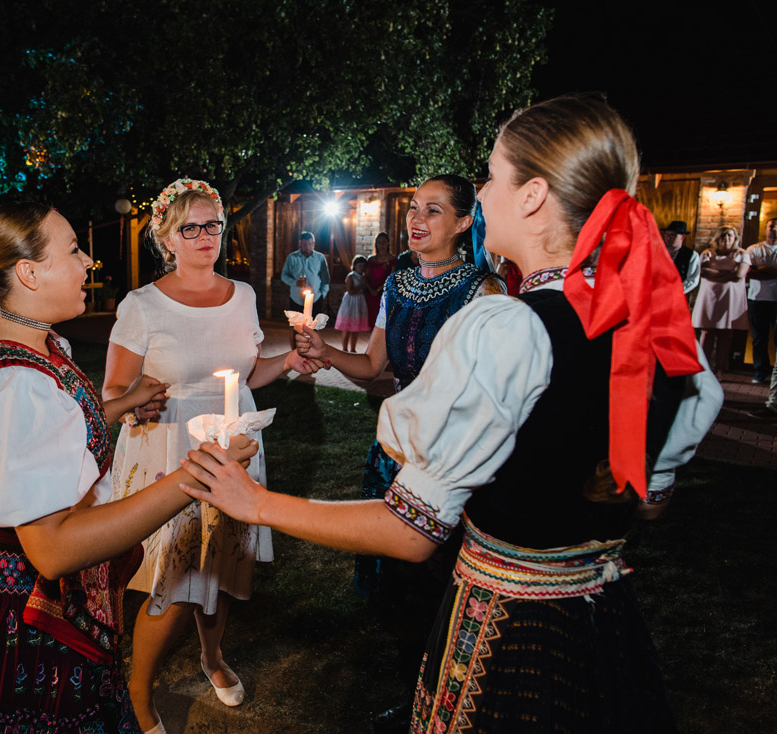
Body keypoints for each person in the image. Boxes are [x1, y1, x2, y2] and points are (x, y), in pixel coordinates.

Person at [180, 94, 723, 733]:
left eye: (492, 176)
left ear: (532, 196)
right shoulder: (653, 328)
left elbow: (411, 532)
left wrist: (255, 503)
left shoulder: (506, 328)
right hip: (601, 617)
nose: (486, 192)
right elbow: (648, 501)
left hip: (510, 630)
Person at [0, 201, 258, 733]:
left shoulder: (28, 340)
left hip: (27, 597)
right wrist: (199, 474)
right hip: (21, 616)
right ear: (28, 272)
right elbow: (54, 549)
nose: (88, 261)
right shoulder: (14, 384)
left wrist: (121, 404)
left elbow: (48, 434)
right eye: (73, 249)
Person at [103, 178, 321, 734]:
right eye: (191, 227)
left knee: (220, 563)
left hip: (234, 445)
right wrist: (137, 407)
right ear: (167, 237)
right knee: (173, 579)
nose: (205, 236)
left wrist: (289, 363)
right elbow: (113, 393)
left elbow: (246, 376)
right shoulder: (141, 305)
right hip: (170, 448)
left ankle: (212, 658)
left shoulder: (243, 295)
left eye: (213, 225)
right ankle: (136, 688)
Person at [295, 174, 504, 732]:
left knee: (446, 588)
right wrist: (326, 353)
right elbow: (373, 369)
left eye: (433, 211)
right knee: (400, 592)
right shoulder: (399, 284)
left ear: (463, 223)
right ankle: (418, 700)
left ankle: (454, 706)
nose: (416, 220)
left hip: (452, 459)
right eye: (414, 208)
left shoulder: (484, 292)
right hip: (394, 455)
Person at [692, 226, 749, 377]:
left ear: (735, 239)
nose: (727, 239)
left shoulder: (742, 254)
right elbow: (703, 271)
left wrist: (716, 274)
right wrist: (728, 274)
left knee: (725, 334)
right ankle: (704, 368)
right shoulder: (708, 253)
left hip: (729, 298)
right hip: (710, 297)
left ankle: (720, 369)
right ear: (718, 238)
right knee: (706, 332)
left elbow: (739, 275)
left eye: (730, 236)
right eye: (723, 236)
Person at [746, 217, 777, 385]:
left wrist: (762, 269)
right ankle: (760, 372)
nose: (774, 229)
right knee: (759, 338)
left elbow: (757, 271)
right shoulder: (754, 250)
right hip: (757, 299)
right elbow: (748, 272)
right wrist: (771, 270)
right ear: (766, 229)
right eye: (771, 226)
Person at [280, 231, 330, 314]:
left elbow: (325, 279)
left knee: (314, 325)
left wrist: (322, 295)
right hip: (296, 299)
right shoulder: (292, 257)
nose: (307, 247)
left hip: (315, 299)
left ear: (313, 243)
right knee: (296, 326)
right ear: (300, 244)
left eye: (310, 244)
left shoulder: (320, 258)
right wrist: (295, 283)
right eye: (304, 244)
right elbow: (284, 276)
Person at [336, 255, 370, 352]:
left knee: (356, 327)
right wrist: (361, 285)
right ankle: (344, 348)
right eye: (360, 266)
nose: (362, 268)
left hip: (359, 302)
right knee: (347, 328)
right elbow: (350, 291)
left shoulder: (364, 277)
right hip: (350, 302)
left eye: (364, 266)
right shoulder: (351, 276)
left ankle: (353, 348)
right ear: (355, 266)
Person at [364, 232, 395, 326]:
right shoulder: (371, 259)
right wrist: (371, 290)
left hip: (384, 293)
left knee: (383, 322)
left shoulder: (393, 259)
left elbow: (391, 277)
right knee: (371, 321)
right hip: (371, 293)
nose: (381, 245)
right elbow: (366, 276)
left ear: (388, 243)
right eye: (379, 242)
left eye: (383, 242)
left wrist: (379, 289)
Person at [663, 220, 700, 294]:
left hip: (678, 295)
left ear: (683, 237)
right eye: (667, 234)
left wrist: (675, 291)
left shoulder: (692, 255)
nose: (668, 238)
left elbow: (692, 280)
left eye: (673, 235)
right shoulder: (658, 252)